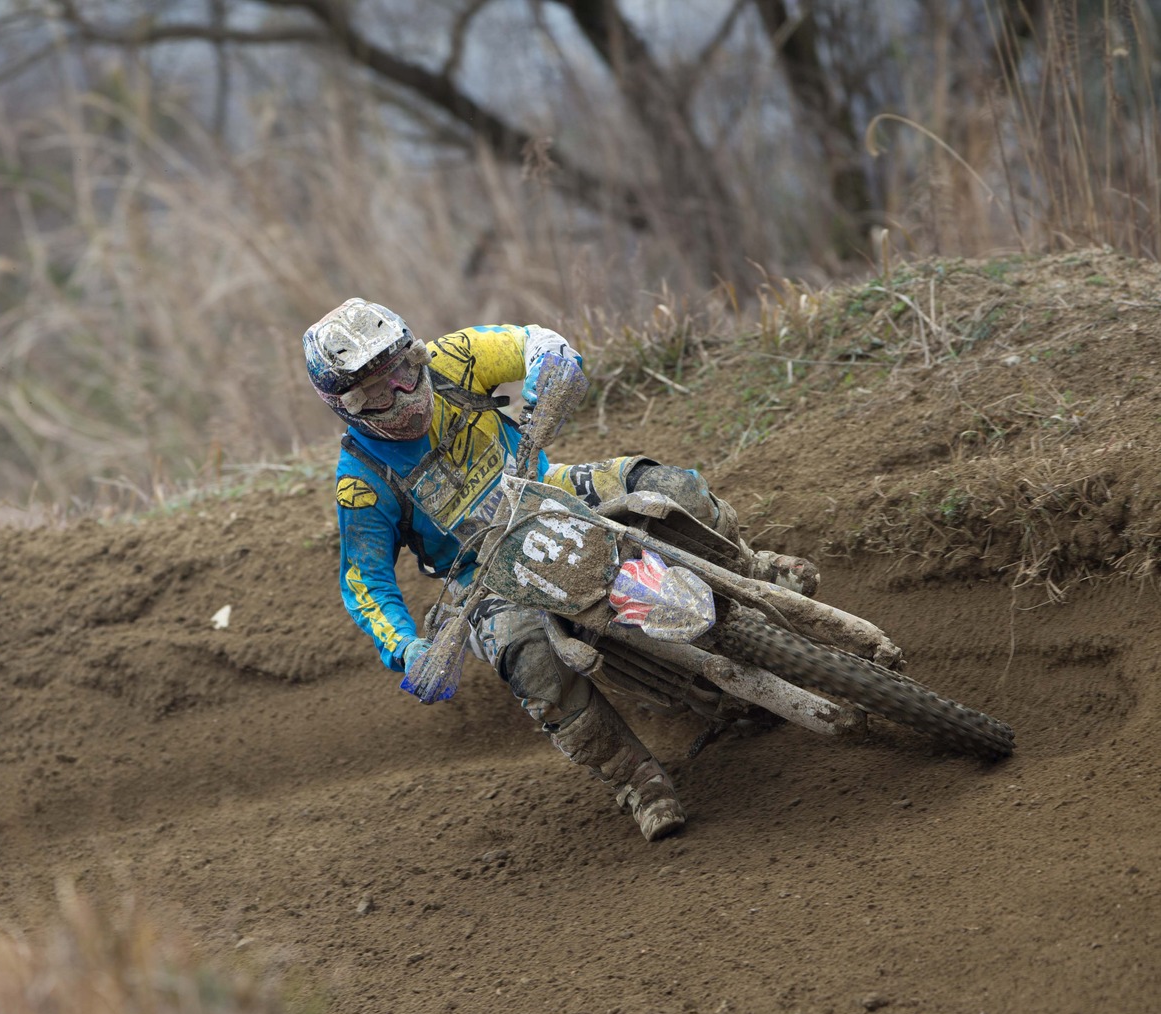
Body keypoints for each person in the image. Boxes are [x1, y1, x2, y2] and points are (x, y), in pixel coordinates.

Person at [304, 298, 817, 842]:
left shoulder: (455, 358)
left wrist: (552, 358)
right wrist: (408, 647)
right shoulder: (361, 483)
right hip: (479, 571)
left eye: (405, 371)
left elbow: (529, 341)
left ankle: (747, 565)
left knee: (668, 487)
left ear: (416, 354)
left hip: (550, 491)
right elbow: (364, 583)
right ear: (346, 405)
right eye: (378, 392)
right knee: (531, 660)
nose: (403, 394)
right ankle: (634, 778)